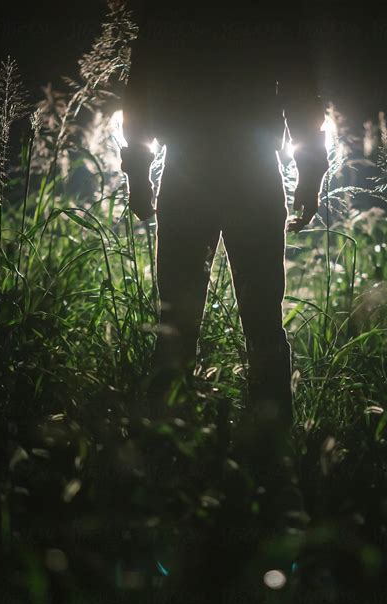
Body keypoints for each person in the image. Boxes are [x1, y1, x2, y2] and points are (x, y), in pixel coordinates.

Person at [121, 8, 328, 428]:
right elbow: (301, 94)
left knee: (177, 320)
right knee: (261, 320)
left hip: (189, 170)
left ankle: (167, 441)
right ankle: (271, 441)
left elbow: (139, 96)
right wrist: (310, 174)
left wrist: (139, 174)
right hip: (249, 173)